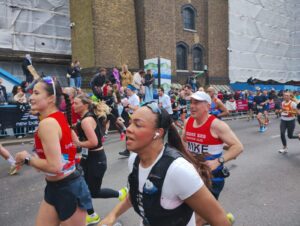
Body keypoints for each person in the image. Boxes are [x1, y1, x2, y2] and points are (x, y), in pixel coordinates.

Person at [99, 101, 231, 226]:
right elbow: (136, 194)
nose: (128, 129)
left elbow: (221, 221)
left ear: (158, 132)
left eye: (138, 125)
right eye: (130, 123)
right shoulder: (134, 159)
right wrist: (112, 216)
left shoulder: (178, 170)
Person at [15, 76, 93, 226]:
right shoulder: (56, 118)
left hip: (68, 189)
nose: (31, 97)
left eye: (36, 93)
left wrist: (27, 158)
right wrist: (35, 159)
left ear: (51, 98)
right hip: (55, 188)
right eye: (32, 93)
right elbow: (57, 159)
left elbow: (55, 166)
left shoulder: (48, 123)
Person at [182, 91, 243, 225]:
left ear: (207, 106)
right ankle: (220, 218)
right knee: (189, 211)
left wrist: (218, 160)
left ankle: (220, 219)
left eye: (196, 102)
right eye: (191, 102)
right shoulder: (188, 122)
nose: (192, 106)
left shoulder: (217, 125)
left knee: (198, 218)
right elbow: (184, 143)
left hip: (212, 177)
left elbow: (238, 147)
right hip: (192, 174)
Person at [72, 94, 128, 225]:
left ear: (85, 105)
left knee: (93, 192)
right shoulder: (85, 118)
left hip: (96, 160)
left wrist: (77, 142)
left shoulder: (86, 120)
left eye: (76, 103)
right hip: (89, 159)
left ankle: (120, 194)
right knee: (82, 189)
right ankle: (91, 215)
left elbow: (94, 142)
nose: (73, 105)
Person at [119, 84, 140, 157]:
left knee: (132, 133)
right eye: (126, 90)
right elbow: (130, 107)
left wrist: (128, 105)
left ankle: (135, 149)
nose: (126, 91)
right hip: (129, 116)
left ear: (132, 91)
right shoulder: (130, 97)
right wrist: (127, 108)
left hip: (134, 117)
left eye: (128, 90)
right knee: (128, 133)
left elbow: (137, 108)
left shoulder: (136, 97)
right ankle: (128, 150)